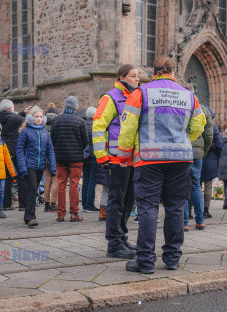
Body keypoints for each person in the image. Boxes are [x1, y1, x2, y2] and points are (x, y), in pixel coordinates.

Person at [118, 56, 206, 273]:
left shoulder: (140, 93)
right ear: (173, 73)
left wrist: (123, 155)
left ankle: (146, 262)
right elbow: (197, 128)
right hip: (180, 159)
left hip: (149, 159)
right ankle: (173, 258)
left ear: (154, 72)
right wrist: (180, 136)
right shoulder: (189, 96)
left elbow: (128, 129)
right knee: (175, 209)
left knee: (148, 209)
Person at [93, 64, 139, 258]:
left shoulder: (135, 97)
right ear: (122, 77)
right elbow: (98, 126)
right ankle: (114, 244)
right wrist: (102, 156)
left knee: (128, 200)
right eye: (133, 76)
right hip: (115, 158)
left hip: (132, 159)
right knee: (116, 201)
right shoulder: (110, 97)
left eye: (138, 76)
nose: (137, 79)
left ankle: (122, 237)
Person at [17, 106, 56, 227]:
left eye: (40, 116)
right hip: (29, 165)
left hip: (40, 166)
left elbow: (50, 150)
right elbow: (19, 150)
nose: (38, 119)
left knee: (32, 190)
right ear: (31, 118)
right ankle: (30, 217)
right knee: (33, 188)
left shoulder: (44, 132)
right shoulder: (25, 132)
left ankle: (27, 215)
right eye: (36, 116)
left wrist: (53, 167)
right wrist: (22, 167)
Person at [50, 97, 87, 222]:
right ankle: (74, 213)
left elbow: (53, 139)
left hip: (60, 157)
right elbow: (85, 142)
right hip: (76, 158)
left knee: (61, 184)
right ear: (76, 107)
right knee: (74, 184)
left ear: (65, 106)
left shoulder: (56, 120)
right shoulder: (80, 121)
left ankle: (60, 214)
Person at [0, 99, 31, 210]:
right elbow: (25, 121)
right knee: (22, 176)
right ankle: (23, 204)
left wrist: (22, 112)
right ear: (11, 108)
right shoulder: (16, 119)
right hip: (16, 151)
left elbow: (11, 118)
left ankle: (6, 204)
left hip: (3, 150)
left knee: (6, 178)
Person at [183, 104, 213, 230]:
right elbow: (209, 135)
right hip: (197, 153)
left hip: (181, 151)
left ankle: (184, 223)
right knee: (196, 185)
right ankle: (200, 221)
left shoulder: (178, 105)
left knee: (181, 187)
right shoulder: (203, 110)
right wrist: (202, 152)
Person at [201, 105, 223, 216]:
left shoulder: (194, 124)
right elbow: (219, 145)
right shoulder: (213, 128)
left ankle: (191, 211)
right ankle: (205, 210)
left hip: (196, 159)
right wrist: (216, 156)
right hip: (210, 160)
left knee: (195, 185)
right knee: (208, 185)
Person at [82, 107, 99, 212]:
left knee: (86, 180)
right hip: (93, 156)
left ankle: (84, 204)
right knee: (92, 180)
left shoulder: (83, 125)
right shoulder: (95, 125)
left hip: (84, 156)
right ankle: (90, 205)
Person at [43, 102, 59, 212]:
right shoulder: (57, 124)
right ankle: (53, 203)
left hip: (44, 155)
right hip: (54, 154)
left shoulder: (42, 125)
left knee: (47, 180)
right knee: (55, 179)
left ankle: (46, 203)